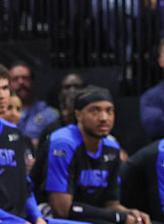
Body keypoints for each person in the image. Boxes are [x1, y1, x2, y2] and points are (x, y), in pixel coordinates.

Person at [0, 63, 76, 224]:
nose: (2, 95)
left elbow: (26, 188)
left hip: (24, 218)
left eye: (5, 88)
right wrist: (18, 222)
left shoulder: (14, 133)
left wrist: (37, 217)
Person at [43, 87, 150, 224]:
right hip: (47, 215)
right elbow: (61, 210)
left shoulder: (112, 147)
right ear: (78, 115)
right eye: (95, 111)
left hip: (87, 216)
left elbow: (109, 204)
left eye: (109, 111)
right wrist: (119, 218)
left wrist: (130, 213)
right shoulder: (63, 143)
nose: (104, 118)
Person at [6, 62, 57, 144]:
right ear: (8, 84)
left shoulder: (49, 114)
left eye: (25, 78)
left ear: (33, 81)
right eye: (15, 79)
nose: (21, 82)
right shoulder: (1, 114)